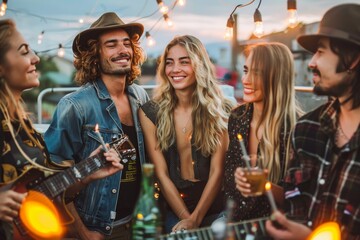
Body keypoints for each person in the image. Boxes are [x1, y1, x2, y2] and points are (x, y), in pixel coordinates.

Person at [0, 19, 122, 240]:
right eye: (24, 52)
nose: (36, 58)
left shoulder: (21, 124)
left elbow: (45, 191)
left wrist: (87, 175)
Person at [44, 12, 149, 239]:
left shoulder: (140, 97)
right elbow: (52, 183)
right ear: (95, 54)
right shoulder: (74, 105)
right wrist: (83, 233)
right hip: (98, 230)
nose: (123, 51)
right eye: (111, 45)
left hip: (140, 223)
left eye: (126, 44)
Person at [265, 4, 360, 239]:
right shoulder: (306, 129)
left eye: (321, 51)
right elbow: (293, 206)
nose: (311, 62)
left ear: (354, 59)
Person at [139, 35, 234, 233]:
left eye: (184, 62)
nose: (175, 70)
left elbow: (217, 172)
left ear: (199, 65)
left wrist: (196, 218)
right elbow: (161, 173)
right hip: (175, 205)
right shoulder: (150, 113)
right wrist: (187, 218)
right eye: (169, 63)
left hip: (215, 204)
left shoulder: (220, 110)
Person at [224, 42, 301, 222]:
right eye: (245, 70)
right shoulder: (237, 117)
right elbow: (228, 184)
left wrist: (265, 185)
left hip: (277, 225)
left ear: (277, 77)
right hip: (236, 220)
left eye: (257, 73)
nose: (245, 80)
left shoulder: (298, 128)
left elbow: (301, 201)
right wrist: (236, 178)